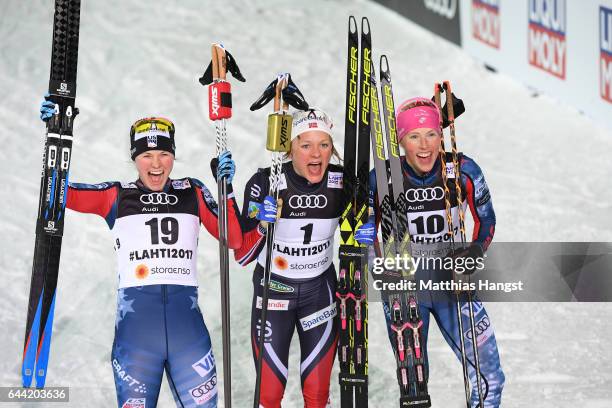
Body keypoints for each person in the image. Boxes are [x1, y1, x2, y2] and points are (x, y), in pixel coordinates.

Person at [39, 97, 242, 408]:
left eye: (164, 154)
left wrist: (224, 188)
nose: (156, 164)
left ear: (173, 156)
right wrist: (55, 135)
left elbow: (234, 239)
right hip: (136, 342)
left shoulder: (193, 191)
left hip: (188, 338)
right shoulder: (117, 196)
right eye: (147, 155)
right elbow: (56, 194)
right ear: (135, 159)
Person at [367, 97, 504, 407]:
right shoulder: (382, 178)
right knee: (414, 388)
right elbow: (363, 233)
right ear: (401, 140)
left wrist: (473, 252)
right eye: (414, 136)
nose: (424, 145)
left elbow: (487, 220)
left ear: (441, 135)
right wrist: (381, 270)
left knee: (489, 378)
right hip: (405, 290)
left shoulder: (463, 169)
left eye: (431, 134)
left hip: (451, 285)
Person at [234, 108, 374, 408]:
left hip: (319, 293)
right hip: (274, 293)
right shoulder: (265, 182)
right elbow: (243, 255)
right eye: (306, 145)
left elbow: (373, 234)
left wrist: (369, 233)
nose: (316, 154)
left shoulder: (343, 181)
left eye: (324, 145)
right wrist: (262, 225)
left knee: (317, 393)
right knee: (268, 394)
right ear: (290, 148)